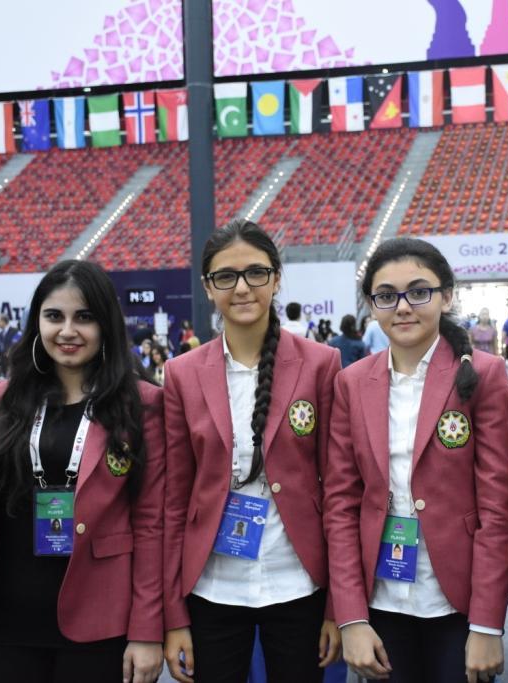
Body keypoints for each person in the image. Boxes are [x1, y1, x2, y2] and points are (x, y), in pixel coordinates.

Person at [0, 260, 165, 682]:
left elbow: (151, 526)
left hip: (100, 622)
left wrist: (146, 631)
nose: (67, 330)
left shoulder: (143, 405)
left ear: (106, 324)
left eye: (84, 317)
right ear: (37, 323)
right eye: (54, 316)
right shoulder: (5, 397)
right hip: (6, 621)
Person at [325, 237, 508, 683]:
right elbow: (341, 505)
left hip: (458, 600)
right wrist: (351, 617)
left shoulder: (483, 374)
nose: (403, 307)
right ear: (371, 306)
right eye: (386, 296)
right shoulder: (352, 382)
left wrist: (487, 623)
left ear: (446, 296)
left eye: (418, 291)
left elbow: (498, 505)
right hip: (381, 599)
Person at [162, 219, 342, 683]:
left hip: (299, 580)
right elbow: (174, 500)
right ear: (208, 287)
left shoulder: (321, 364)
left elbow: (339, 491)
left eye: (256, 273)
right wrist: (174, 617)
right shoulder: (181, 373)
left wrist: (338, 606)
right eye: (226, 276)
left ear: (276, 279)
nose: (242, 288)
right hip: (212, 585)